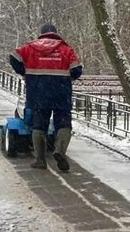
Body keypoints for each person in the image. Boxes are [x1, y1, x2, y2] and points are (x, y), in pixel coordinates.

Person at [9, 23, 83, 171]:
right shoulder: (66, 50)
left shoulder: (30, 47)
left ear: (42, 34)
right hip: (61, 92)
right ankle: (59, 151)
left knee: (39, 125)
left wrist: (24, 72)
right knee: (63, 123)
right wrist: (68, 77)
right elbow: (76, 70)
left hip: (37, 92)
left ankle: (40, 160)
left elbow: (13, 57)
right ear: (56, 33)